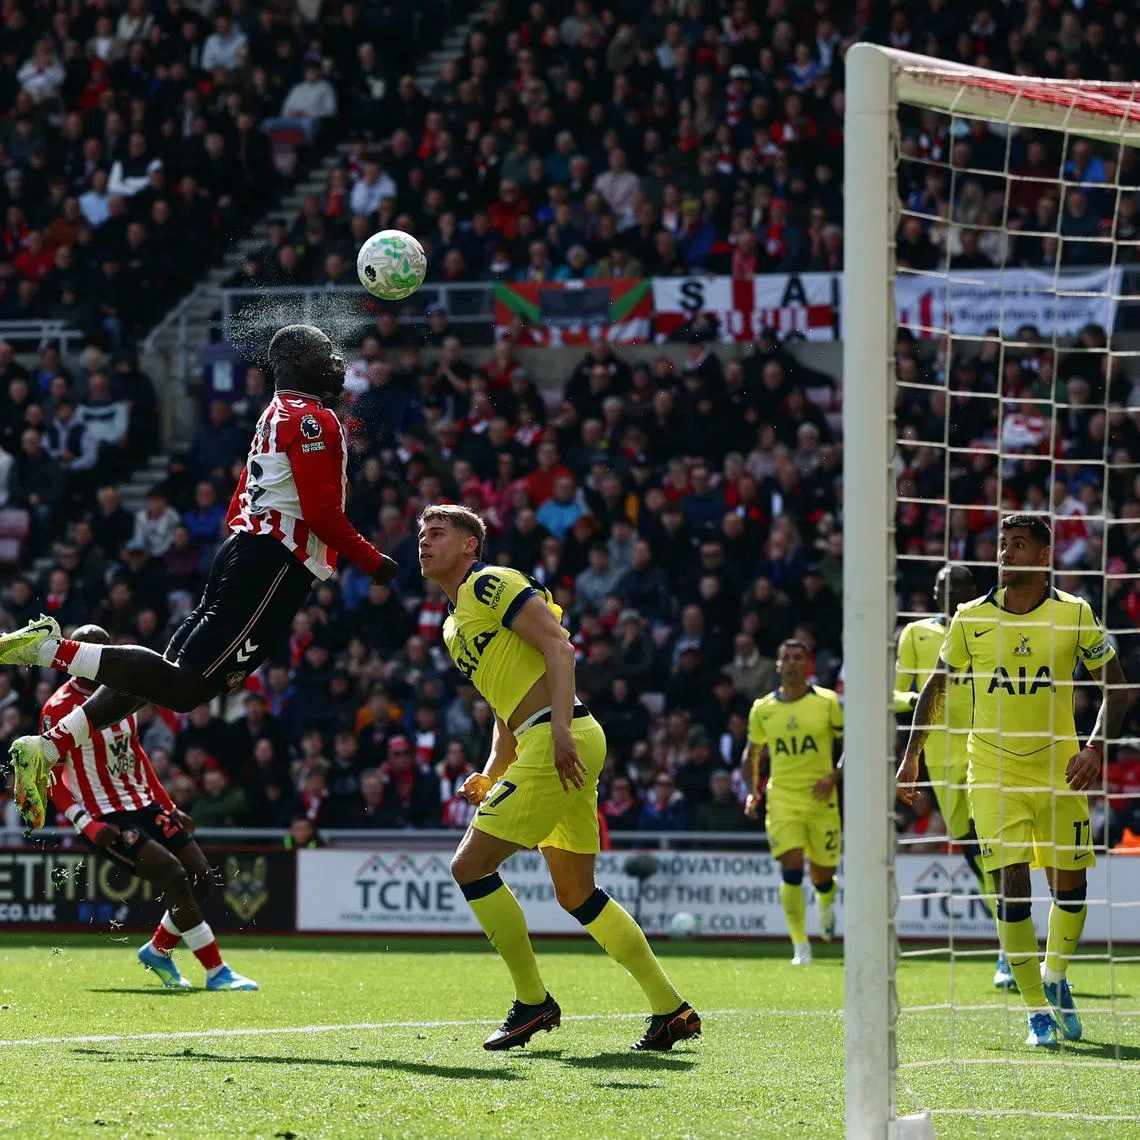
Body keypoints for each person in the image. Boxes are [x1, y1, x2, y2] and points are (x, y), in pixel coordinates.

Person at [2, 325, 398, 828]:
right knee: (186, 688)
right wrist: (373, 561)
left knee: (166, 674)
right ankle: (42, 648)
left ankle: (49, 746)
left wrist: (240, 544)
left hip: (248, 552)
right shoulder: (315, 419)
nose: (338, 363)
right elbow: (320, 513)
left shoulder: (275, 414)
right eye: (326, 353)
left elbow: (241, 494)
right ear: (299, 359)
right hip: (275, 562)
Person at [417, 503, 699, 1052]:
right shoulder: (454, 626)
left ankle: (532, 1002)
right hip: (548, 738)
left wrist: (562, 728)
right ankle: (671, 1009)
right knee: (577, 893)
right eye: (421, 534)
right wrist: (492, 771)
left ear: (471, 546)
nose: (424, 541)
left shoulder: (488, 584)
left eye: (438, 532)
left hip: (558, 737)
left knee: (470, 866)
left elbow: (558, 645)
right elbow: (505, 707)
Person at [898, 515, 1131, 1048]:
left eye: (1019, 544)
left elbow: (1118, 689)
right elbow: (935, 686)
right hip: (992, 769)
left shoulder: (1074, 614)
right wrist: (912, 756)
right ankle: (1035, 1011)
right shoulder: (969, 618)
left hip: (1060, 768)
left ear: (1045, 555)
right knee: (1011, 886)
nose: (1005, 552)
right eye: (1001, 544)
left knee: (1070, 889)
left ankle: (1054, 976)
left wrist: (1095, 748)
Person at [38, 626, 257, 990]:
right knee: (173, 875)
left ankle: (158, 949)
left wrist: (168, 805)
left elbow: (135, 752)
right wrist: (85, 824)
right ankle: (217, 970)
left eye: (104, 651)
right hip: (104, 815)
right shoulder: (58, 707)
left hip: (143, 803)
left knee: (201, 876)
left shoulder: (127, 690)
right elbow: (49, 776)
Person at [895, 565, 1013, 990]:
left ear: (973, 591)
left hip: (987, 749)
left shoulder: (990, 624)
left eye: (960, 586)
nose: (952, 592)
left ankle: (1009, 950)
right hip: (941, 758)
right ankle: (1010, 939)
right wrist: (916, 697)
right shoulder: (915, 635)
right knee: (971, 851)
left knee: (993, 844)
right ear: (934, 591)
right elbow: (895, 690)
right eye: (945, 585)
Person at [744, 639, 842, 966]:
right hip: (782, 797)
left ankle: (825, 901)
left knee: (822, 875)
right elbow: (752, 752)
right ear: (778, 665)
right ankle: (800, 944)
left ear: (808, 663)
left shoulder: (827, 702)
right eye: (785, 658)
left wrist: (835, 776)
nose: (791, 663)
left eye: (798, 657)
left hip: (821, 799)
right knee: (791, 866)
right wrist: (751, 791)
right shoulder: (763, 709)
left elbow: (850, 741)